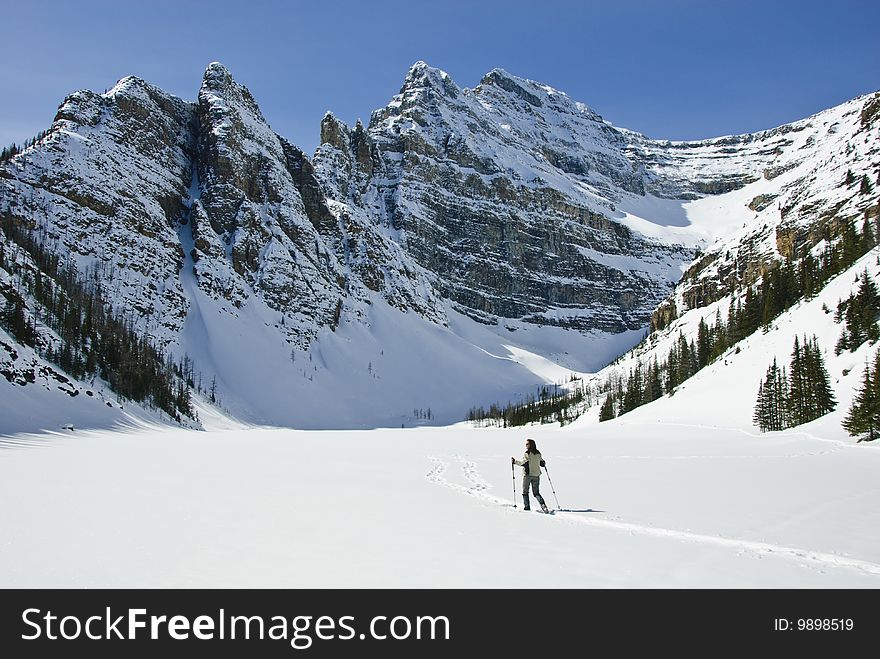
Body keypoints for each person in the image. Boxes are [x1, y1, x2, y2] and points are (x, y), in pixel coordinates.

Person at [512, 438, 549, 512]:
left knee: (525, 492)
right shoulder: (538, 453)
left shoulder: (527, 453)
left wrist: (514, 462)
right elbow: (542, 462)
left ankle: (527, 507)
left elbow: (524, 463)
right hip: (536, 475)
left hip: (528, 475)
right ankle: (543, 505)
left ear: (531, 445)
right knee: (536, 493)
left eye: (527, 444)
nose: (526, 445)